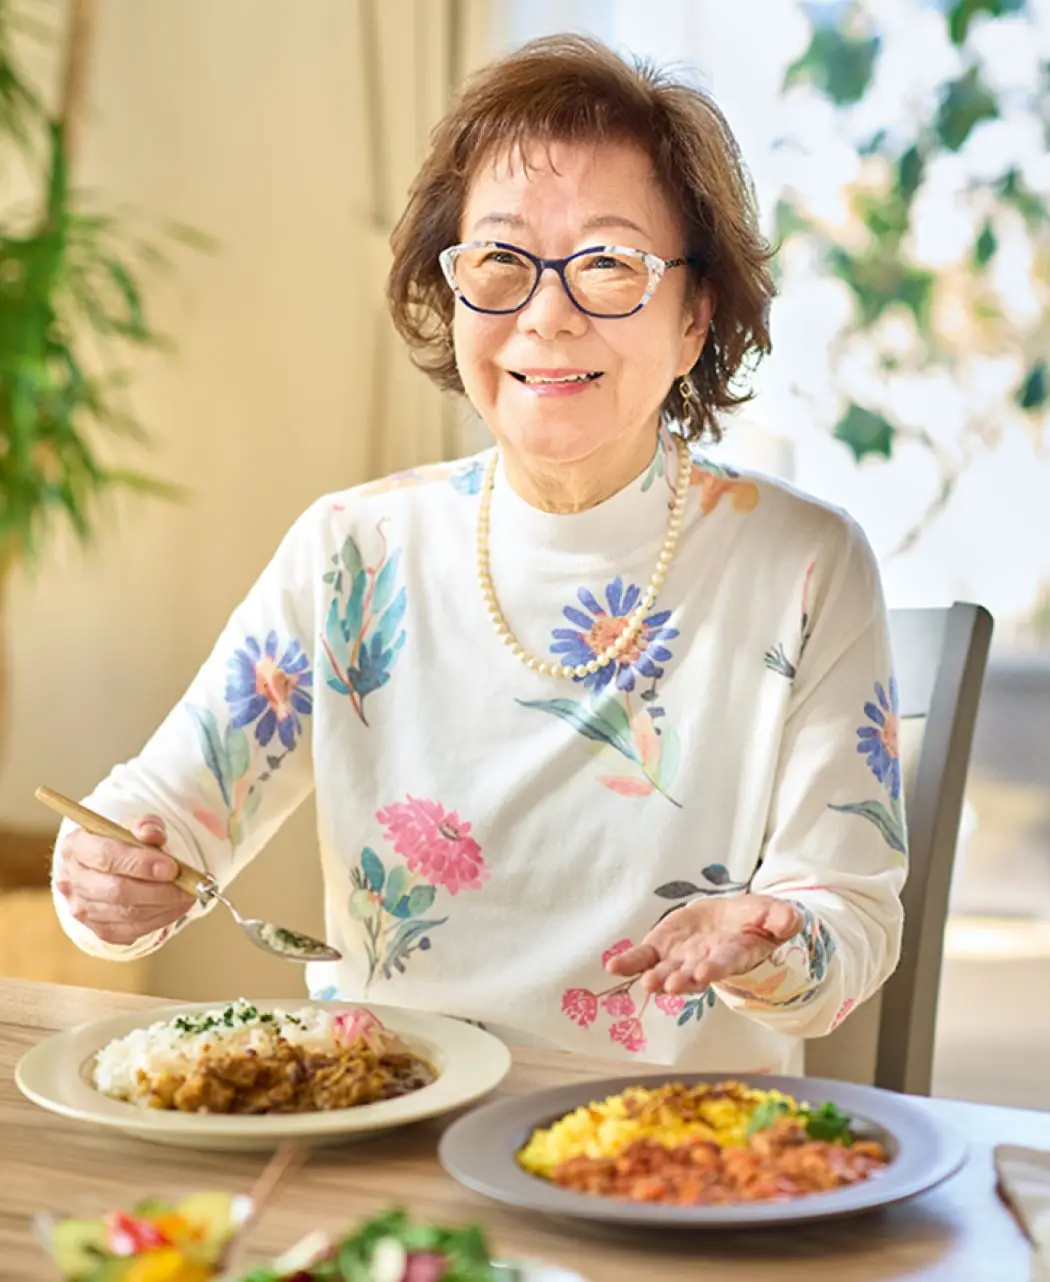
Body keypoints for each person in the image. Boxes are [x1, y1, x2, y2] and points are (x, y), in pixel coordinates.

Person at [51, 34, 906, 1073]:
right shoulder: (354, 552)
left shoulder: (805, 565)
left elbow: (849, 927)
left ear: (695, 317)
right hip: (381, 1118)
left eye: (608, 265)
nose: (546, 316)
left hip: (671, 1143)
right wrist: (105, 881)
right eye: (501, 262)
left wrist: (770, 944)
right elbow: (153, 826)